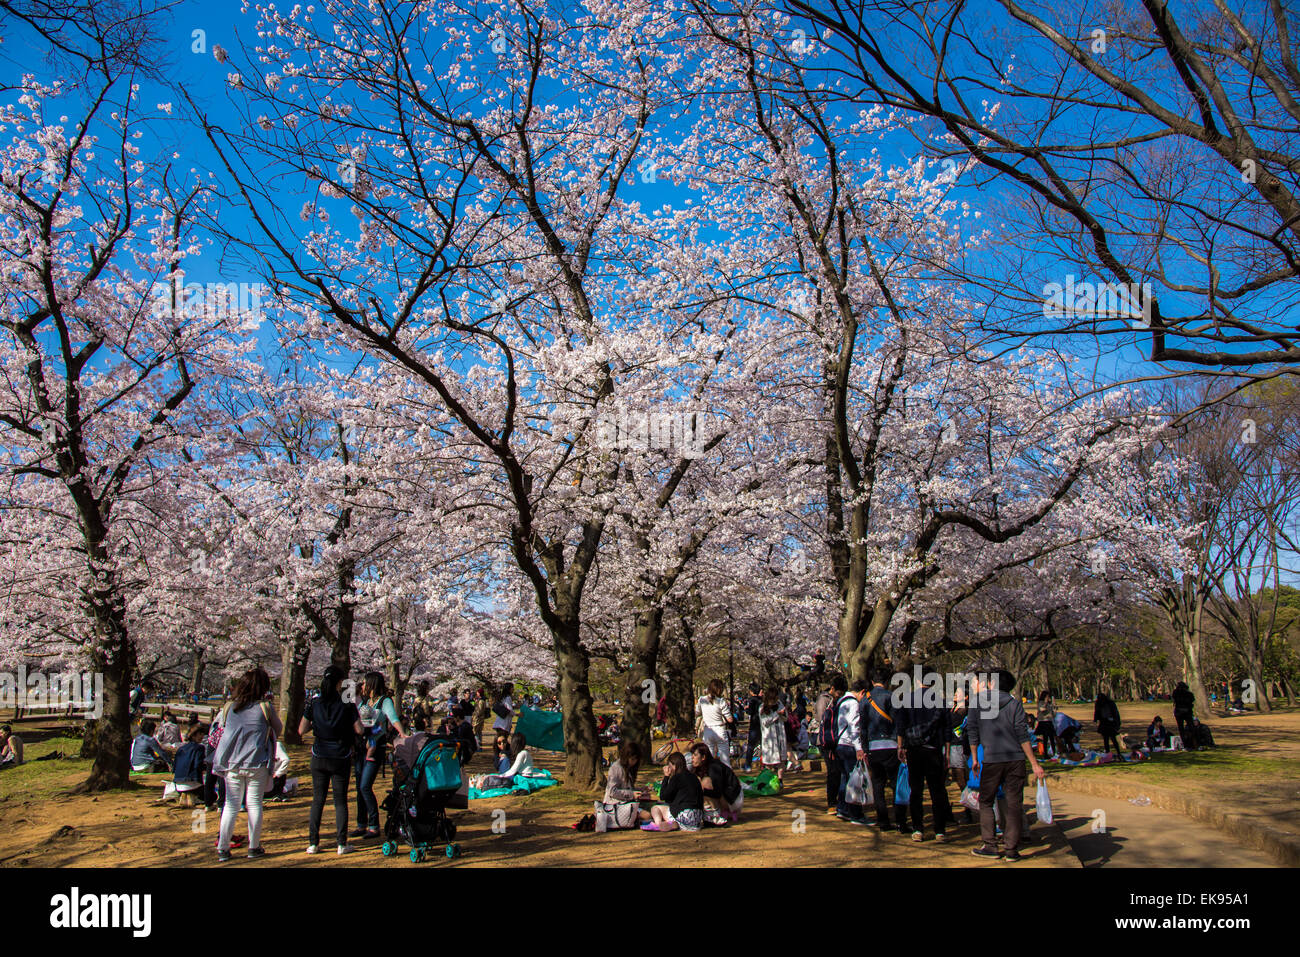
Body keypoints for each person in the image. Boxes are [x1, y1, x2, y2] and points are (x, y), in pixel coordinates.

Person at [968, 670, 1045, 862]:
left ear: (993, 684)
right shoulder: (1014, 704)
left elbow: (972, 731)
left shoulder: (977, 702)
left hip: (992, 759)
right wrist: (1034, 763)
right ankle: (1011, 848)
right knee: (1013, 804)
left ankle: (990, 845)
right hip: (1015, 759)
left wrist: (975, 758)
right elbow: (1022, 735)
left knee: (986, 801)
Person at [212, 667, 283, 862]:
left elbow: (221, 729)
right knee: (254, 804)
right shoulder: (265, 707)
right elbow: (278, 728)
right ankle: (254, 846)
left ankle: (223, 848)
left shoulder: (229, 707)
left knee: (230, 805)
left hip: (231, 762)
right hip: (256, 761)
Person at [299, 665, 363, 856]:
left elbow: (302, 729)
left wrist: (318, 726)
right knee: (340, 801)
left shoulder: (314, 703)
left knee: (318, 799)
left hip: (319, 755)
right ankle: (341, 844)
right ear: (339, 683)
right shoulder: (346, 704)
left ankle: (313, 843)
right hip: (340, 756)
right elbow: (359, 729)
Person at [895, 668, 953, 843]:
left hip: (914, 750)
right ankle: (940, 830)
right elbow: (947, 729)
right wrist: (947, 752)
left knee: (916, 790)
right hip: (934, 750)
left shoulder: (907, 699)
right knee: (937, 791)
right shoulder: (941, 702)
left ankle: (918, 828)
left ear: (917, 681)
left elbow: (901, 725)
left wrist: (900, 746)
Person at [352, 671, 405, 840]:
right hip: (361, 746)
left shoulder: (385, 701)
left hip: (376, 745)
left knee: (365, 785)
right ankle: (361, 824)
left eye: (365, 682)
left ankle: (374, 825)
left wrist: (402, 734)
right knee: (359, 786)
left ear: (372, 684)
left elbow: (393, 718)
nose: (363, 685)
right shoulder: (365, 701)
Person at [863, 669, 907, 831]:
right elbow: (899, 724)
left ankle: (883, 821)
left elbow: (863, 728)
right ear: (886, 682)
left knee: (878, 785)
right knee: (896, 784)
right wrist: (901, 745)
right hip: (892, 746)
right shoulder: (892, 697)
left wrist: (865, 749)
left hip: (874, 747)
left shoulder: (865, 700)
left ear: (873, 682)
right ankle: (901, 821)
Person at [639, 751, 703, 832]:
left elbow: (663, 796)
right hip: (696, 818)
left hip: (683, 815)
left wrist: (666, 776)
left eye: (669, 766)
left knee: (655, 808)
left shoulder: (676, 778)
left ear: (674, 766)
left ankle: (658, 824)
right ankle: (673, 823)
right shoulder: (694, 777)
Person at [835, 678, 868, 825]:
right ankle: (855, 814)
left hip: (840, 744)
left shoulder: (841, 701)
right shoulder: (854, 703)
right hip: (849, 745)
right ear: (862, 692)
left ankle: (843, 808)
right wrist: (859, 748)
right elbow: (855, 728)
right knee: (853, 779)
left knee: (845, 777)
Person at [689, 741, 744, 824]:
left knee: (704, 784)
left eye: (695, 755)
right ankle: (720, 812)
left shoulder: (714, 767)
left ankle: (715, 814)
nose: (692, 758)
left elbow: (717, 792)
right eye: (692, 755)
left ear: (703, 757)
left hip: (734, 798)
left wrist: (700, 791)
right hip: (727, 796)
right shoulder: (700, 768)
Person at [819, 674, 847, 815]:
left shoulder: (840, 701)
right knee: (833, 772)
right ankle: (831, 802)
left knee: (840, 771)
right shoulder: (824, 700)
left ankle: (841, 801)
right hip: (827, 741)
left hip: (838, 740)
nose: (839, 695)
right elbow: (820, 718)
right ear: (833, 689)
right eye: (838, 692)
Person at [695, 678, 733, 768]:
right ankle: (727, 779)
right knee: (725, 760)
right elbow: (730, 719)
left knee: (708, 758)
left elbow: (697, 713)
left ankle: (709, 777)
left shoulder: (702, 700)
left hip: (708, 730)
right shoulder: (721, 701)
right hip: (720, 730)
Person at [756, 686, 789, 785]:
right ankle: (769, 781)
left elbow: (786, 718)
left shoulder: (779, 704)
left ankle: (780, 780)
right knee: (769, 762)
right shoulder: (762, 707)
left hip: (780, 735)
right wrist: (776, 714)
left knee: (781, 761)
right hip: (769, 738)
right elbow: (765, 722)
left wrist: (783, 714)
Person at [171, 724, 207, 806]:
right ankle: (192, 795)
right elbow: (198, 765)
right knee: (211, 795)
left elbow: (175, 766)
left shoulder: (180, 748)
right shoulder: (200, 748)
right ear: (193, 735)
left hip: (178, 783)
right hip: (192, 781)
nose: (202, 736)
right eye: (200, 734)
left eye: (203, 734)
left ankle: (185, 794)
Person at [742, 682, 762, 770]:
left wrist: (746, 709)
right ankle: (764, 764)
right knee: (763, 745)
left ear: (751, 691)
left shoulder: (752, 700)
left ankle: (748, 765)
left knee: (750, 746)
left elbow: (750, 711)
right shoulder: (762, 700)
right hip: (762, 724)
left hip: (754, 724)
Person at [1034, 691, 1058, 758]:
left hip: (1049, 722)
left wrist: (1054, 708)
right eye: (1047, 696)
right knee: (1045, 739)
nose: (1048, 698)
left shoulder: (1049, 705)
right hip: (1043, 722)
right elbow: (1042, 710)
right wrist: (1046, 702)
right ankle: (1045, 754)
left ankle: (1054, 753)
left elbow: (1053, 715)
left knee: (1052, 738)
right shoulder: (1041, 703)